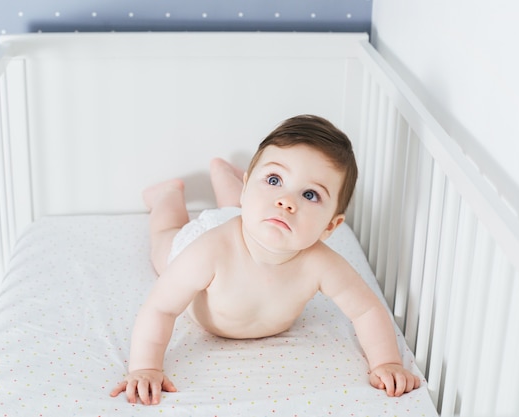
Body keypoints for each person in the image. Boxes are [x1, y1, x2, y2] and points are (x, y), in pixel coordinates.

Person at [110, 115, 421, 405]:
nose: (286, 201)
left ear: (330, 226)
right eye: (274, 180)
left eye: (310, 195)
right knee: (165, 241)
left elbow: (366, 310)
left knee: (251, 212)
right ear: (248, 185)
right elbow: (161, 308)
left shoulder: (320, 263)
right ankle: (167, 196)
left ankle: (223, 175)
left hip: (249, 218)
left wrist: (387, 362)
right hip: (212, 234)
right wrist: (146, 367)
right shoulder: (207, 252)